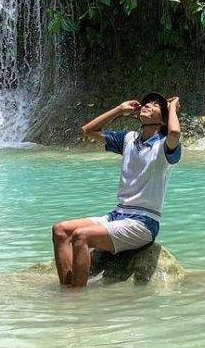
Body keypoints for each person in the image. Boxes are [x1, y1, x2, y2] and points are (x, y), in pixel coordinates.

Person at [51, 92, 182, 289]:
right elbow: (88, 129)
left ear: (163, 119)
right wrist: (119, 110)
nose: (148, 105)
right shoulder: (129, 139)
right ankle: (68, 289)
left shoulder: (165, 146)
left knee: (81, 236)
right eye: (146, 103)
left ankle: (74, 304)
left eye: (155, 105)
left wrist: (172, 108)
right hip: (117, 215)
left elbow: (174, 133)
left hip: (143, 223)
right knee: (60, 230)